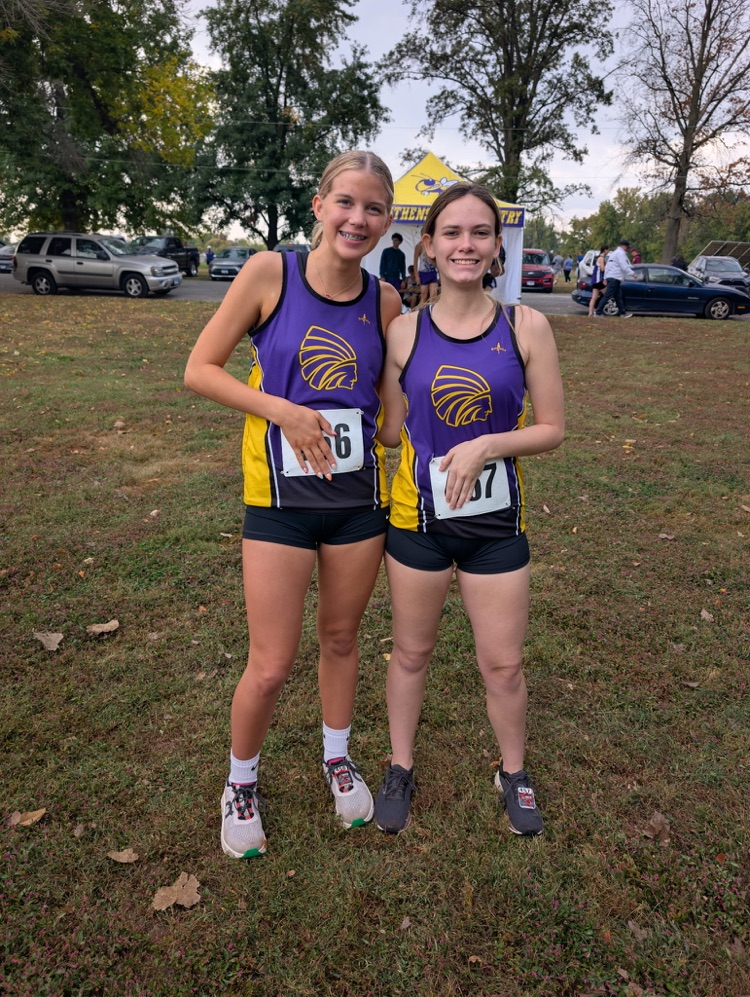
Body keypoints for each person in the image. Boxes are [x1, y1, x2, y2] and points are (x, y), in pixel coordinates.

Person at [184, 151, 402, 859]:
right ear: (319, 204)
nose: (357, 218)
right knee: (272, 661)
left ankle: (336, 756)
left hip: (357, 502)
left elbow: (391, 419)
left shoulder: (386, 302)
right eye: (345, 202)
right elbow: (200, 369)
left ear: (388, 220)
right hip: (278, 499)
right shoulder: (268, 273)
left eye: (373, 208)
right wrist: (282, 409)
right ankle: (240, 779)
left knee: (341, 639)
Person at [374, 182, 565, 837]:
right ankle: (400, 765)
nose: (465, 244)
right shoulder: (403, 331)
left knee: (504, 663)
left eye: (479, 232)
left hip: (494, 529)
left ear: (496, 247)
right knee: (410, 652)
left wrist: (487, 442)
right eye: (451, 232)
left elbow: (552, 429)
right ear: (428, 244)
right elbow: (393, 433)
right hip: (417, 523)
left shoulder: (526, 326)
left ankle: (513, 771)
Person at [595, 239, 637, 317]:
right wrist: (633, 274)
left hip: (613, 278)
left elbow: (608, 266)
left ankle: (622, 313)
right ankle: (598, 312)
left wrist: (605, 277)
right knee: (607, 296)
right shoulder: (620, 254)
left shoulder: (614, 253)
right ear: (623, 246)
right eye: (627, 247)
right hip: (615, 278)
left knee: (618, 296)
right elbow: (624, 266)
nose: (628, 249)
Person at [414, 240, 439, 305]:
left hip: (433, 271)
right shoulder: (419, 246)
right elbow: (415, 261)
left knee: (433, 296)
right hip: (423, 273)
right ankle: (419, 313)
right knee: (423, 296)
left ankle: (430, 313)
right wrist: (416, 275)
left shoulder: (434, 245)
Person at [587, 244, 609, 317]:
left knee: (594, 297)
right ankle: (598, 311)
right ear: (605, 250)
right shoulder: (602, 258)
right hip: (599, 281)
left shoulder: (598, 258)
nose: (608, 251)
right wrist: (609, 266)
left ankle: (590, 313)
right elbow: (602, 269)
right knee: (607, 294)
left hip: (595, 281)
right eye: (608, 250)